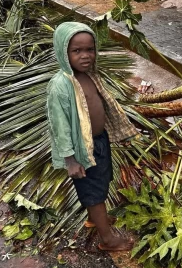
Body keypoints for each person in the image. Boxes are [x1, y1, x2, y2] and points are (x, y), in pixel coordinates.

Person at [46, 22, 139, 251]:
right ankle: (107, 240)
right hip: (81, 151)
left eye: (90, 49)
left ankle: (95, 219)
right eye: (77, 51)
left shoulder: (89, 75)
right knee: (93, 192)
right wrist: (70, 159)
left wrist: (121, 132)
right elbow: (60, 126)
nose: (85, 56)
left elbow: (104, 106)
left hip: (98, 142)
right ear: (63, 52)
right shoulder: (60, 86)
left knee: (102, 182)